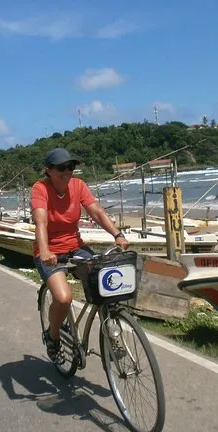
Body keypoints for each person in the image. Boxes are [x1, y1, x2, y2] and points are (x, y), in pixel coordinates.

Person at [31, 148, 129, 364]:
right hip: (49, 251)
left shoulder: (78, 185)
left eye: (71, 167)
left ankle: (111, 335)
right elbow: (41, 222)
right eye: (61, 168)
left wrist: (117, 234)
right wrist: (45, 250)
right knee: (63, 298)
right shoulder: (40, 189)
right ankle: (53, 337)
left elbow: (96, 212)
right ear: (49, 170)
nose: (67, 172)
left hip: (76, 247)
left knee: (104, 285)